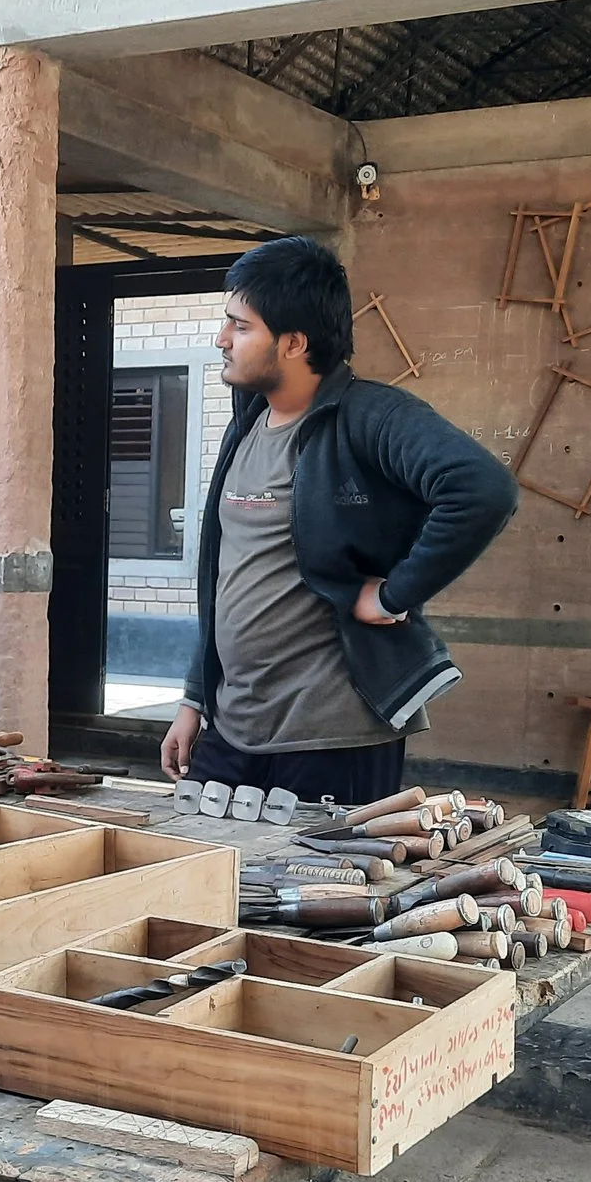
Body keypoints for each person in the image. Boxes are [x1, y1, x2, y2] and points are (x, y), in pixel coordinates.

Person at [161, 237, 516, 806]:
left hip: (332, 740)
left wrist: (395, 594)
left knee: (323, 892)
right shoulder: (248, 422)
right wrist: (196, 699)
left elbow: (482, 489)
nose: (222, 339)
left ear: (294, 342)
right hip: (232, 729)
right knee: (214, 887)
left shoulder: (371, 417)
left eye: (240, 326)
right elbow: (230, 578)